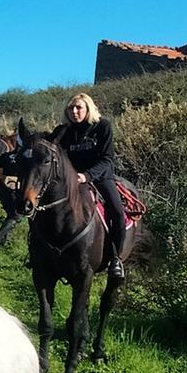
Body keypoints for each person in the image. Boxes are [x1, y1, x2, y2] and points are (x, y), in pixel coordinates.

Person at [52, 92, 125, 278]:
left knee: (117, 212)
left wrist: (87, 176)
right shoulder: (64, 131)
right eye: (71, 108)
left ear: (88, 108)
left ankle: (116, 258)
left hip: (100, 178)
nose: (74, 111)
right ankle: (38, 251)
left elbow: (107, 158)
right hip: (70, 180)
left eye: (78, 108)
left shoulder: (102, 126)